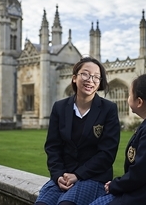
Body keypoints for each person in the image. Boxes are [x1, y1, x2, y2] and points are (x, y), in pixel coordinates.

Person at [35, 57, 121, 205]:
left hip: (93, 177)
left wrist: (78, 175)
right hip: (64, 176)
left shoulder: (108, 109)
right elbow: (53, 147)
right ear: (74, 78)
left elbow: (107, 154)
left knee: (66, 204)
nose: (90, 80)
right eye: (85, 74)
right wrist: (58, 176)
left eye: (96, 77)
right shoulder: (59, 107)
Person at [90, 73, 146, 205]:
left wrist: (115, 185)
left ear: (139, 101)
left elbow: (140, 173)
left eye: (130, 94)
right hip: (140, 192)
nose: (127, 98)